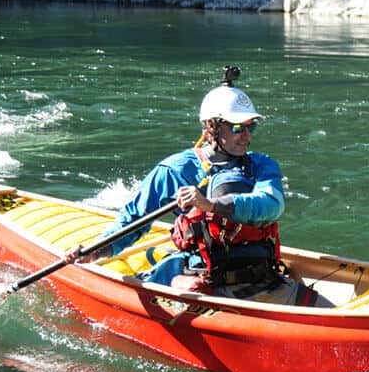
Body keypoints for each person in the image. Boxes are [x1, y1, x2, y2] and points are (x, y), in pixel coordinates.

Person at [75, 67, 317, 304]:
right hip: (205, 280)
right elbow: (133, 219)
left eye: (250, 126)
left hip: (264, 278)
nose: (246, 135)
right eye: (236, 127)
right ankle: (173, 279)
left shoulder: (262, 164)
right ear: (211, 128)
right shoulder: (175, 170)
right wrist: (96, 251)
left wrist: (210, 204)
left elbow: (271, 205)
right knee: (187, 282)